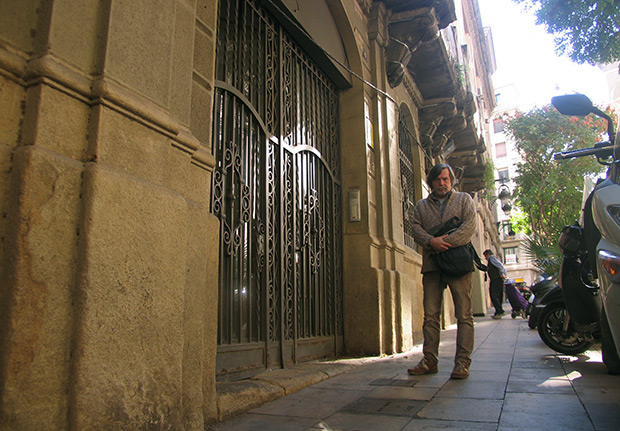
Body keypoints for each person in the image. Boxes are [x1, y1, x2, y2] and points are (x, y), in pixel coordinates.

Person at [409, 163, 476, 380]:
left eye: (446, 179)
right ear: (431, 182)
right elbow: (414, 227)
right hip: (432, 266)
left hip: (458, 264)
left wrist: (444, 242)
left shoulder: (464, 199)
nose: (442, 183)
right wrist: (431, 241)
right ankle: (429, 360)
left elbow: (469, 227)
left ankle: (462, 363)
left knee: (464, 315)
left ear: (452, 180)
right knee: (430, 316)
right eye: (438, 179)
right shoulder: (421, 205)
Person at [483, 250, 507, 319]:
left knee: (494, 295)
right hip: (496, 279)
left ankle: (500, 311)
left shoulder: (492, 259)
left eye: (485, 256)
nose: (485, 258)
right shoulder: (492, 259)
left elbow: (500, 266)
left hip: (496, 279)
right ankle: (498, 311)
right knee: (497, 295)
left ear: (488, 254)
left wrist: (503, 275)